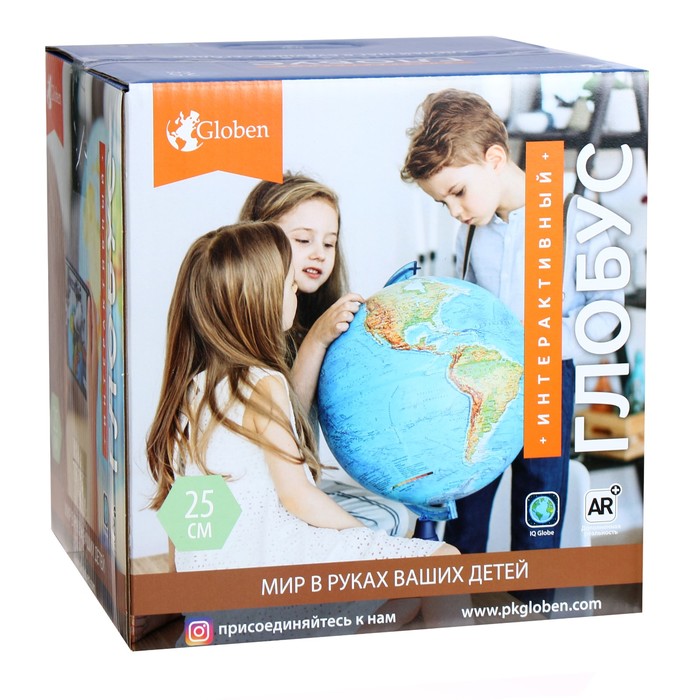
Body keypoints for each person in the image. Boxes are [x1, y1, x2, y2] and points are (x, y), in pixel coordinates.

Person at [146, 222, 457, 570]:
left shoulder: (192, 389)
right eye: (290, 285)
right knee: (446, 559)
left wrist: (179, 584)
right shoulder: (263, 383)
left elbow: (181, 505)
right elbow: (297, 495)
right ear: (261, 302)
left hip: (212, 572)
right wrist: (362, 535)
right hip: (272, 564)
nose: (296, 292)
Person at [400, 88, 623, 556]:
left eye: (457, 193)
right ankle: (458, 592)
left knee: (539, 507)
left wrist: (536, 340)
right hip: (482, 382)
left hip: (546, 381)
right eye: (444, 203)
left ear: (495, 159)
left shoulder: (578, 219)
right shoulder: (470, 232)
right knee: (467, 504)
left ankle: (534, 595)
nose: (456, 211)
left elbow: (604, 316)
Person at [239, 174, 414, 537]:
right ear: (260, 241)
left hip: (298, 487)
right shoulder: (245, 333)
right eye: (303, 240)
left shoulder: (311, 318)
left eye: (329, 242)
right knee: (380, 527)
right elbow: (291, 426)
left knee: (397, 513)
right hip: (259, 499)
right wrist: (315, 342)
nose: (319, 252)